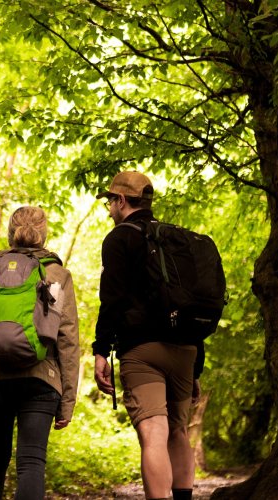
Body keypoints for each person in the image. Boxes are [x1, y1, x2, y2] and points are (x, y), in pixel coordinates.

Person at [92, 171, 202, 500]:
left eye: (110, 201)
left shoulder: (119, 238)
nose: (109, 208)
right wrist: (196, 362)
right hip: (185, 347)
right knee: (178, 431)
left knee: (154, 431)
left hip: (142, 351)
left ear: (121, 201)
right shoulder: (175, 238)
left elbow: (111, 299)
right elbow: (192, 301)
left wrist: (101, 350)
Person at [0, 206, 80, 500]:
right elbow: (67, 338)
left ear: (10, 233)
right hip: (41, 377)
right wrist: (67, 400)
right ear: (44, 233)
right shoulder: (56, 273)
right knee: (31, 462)